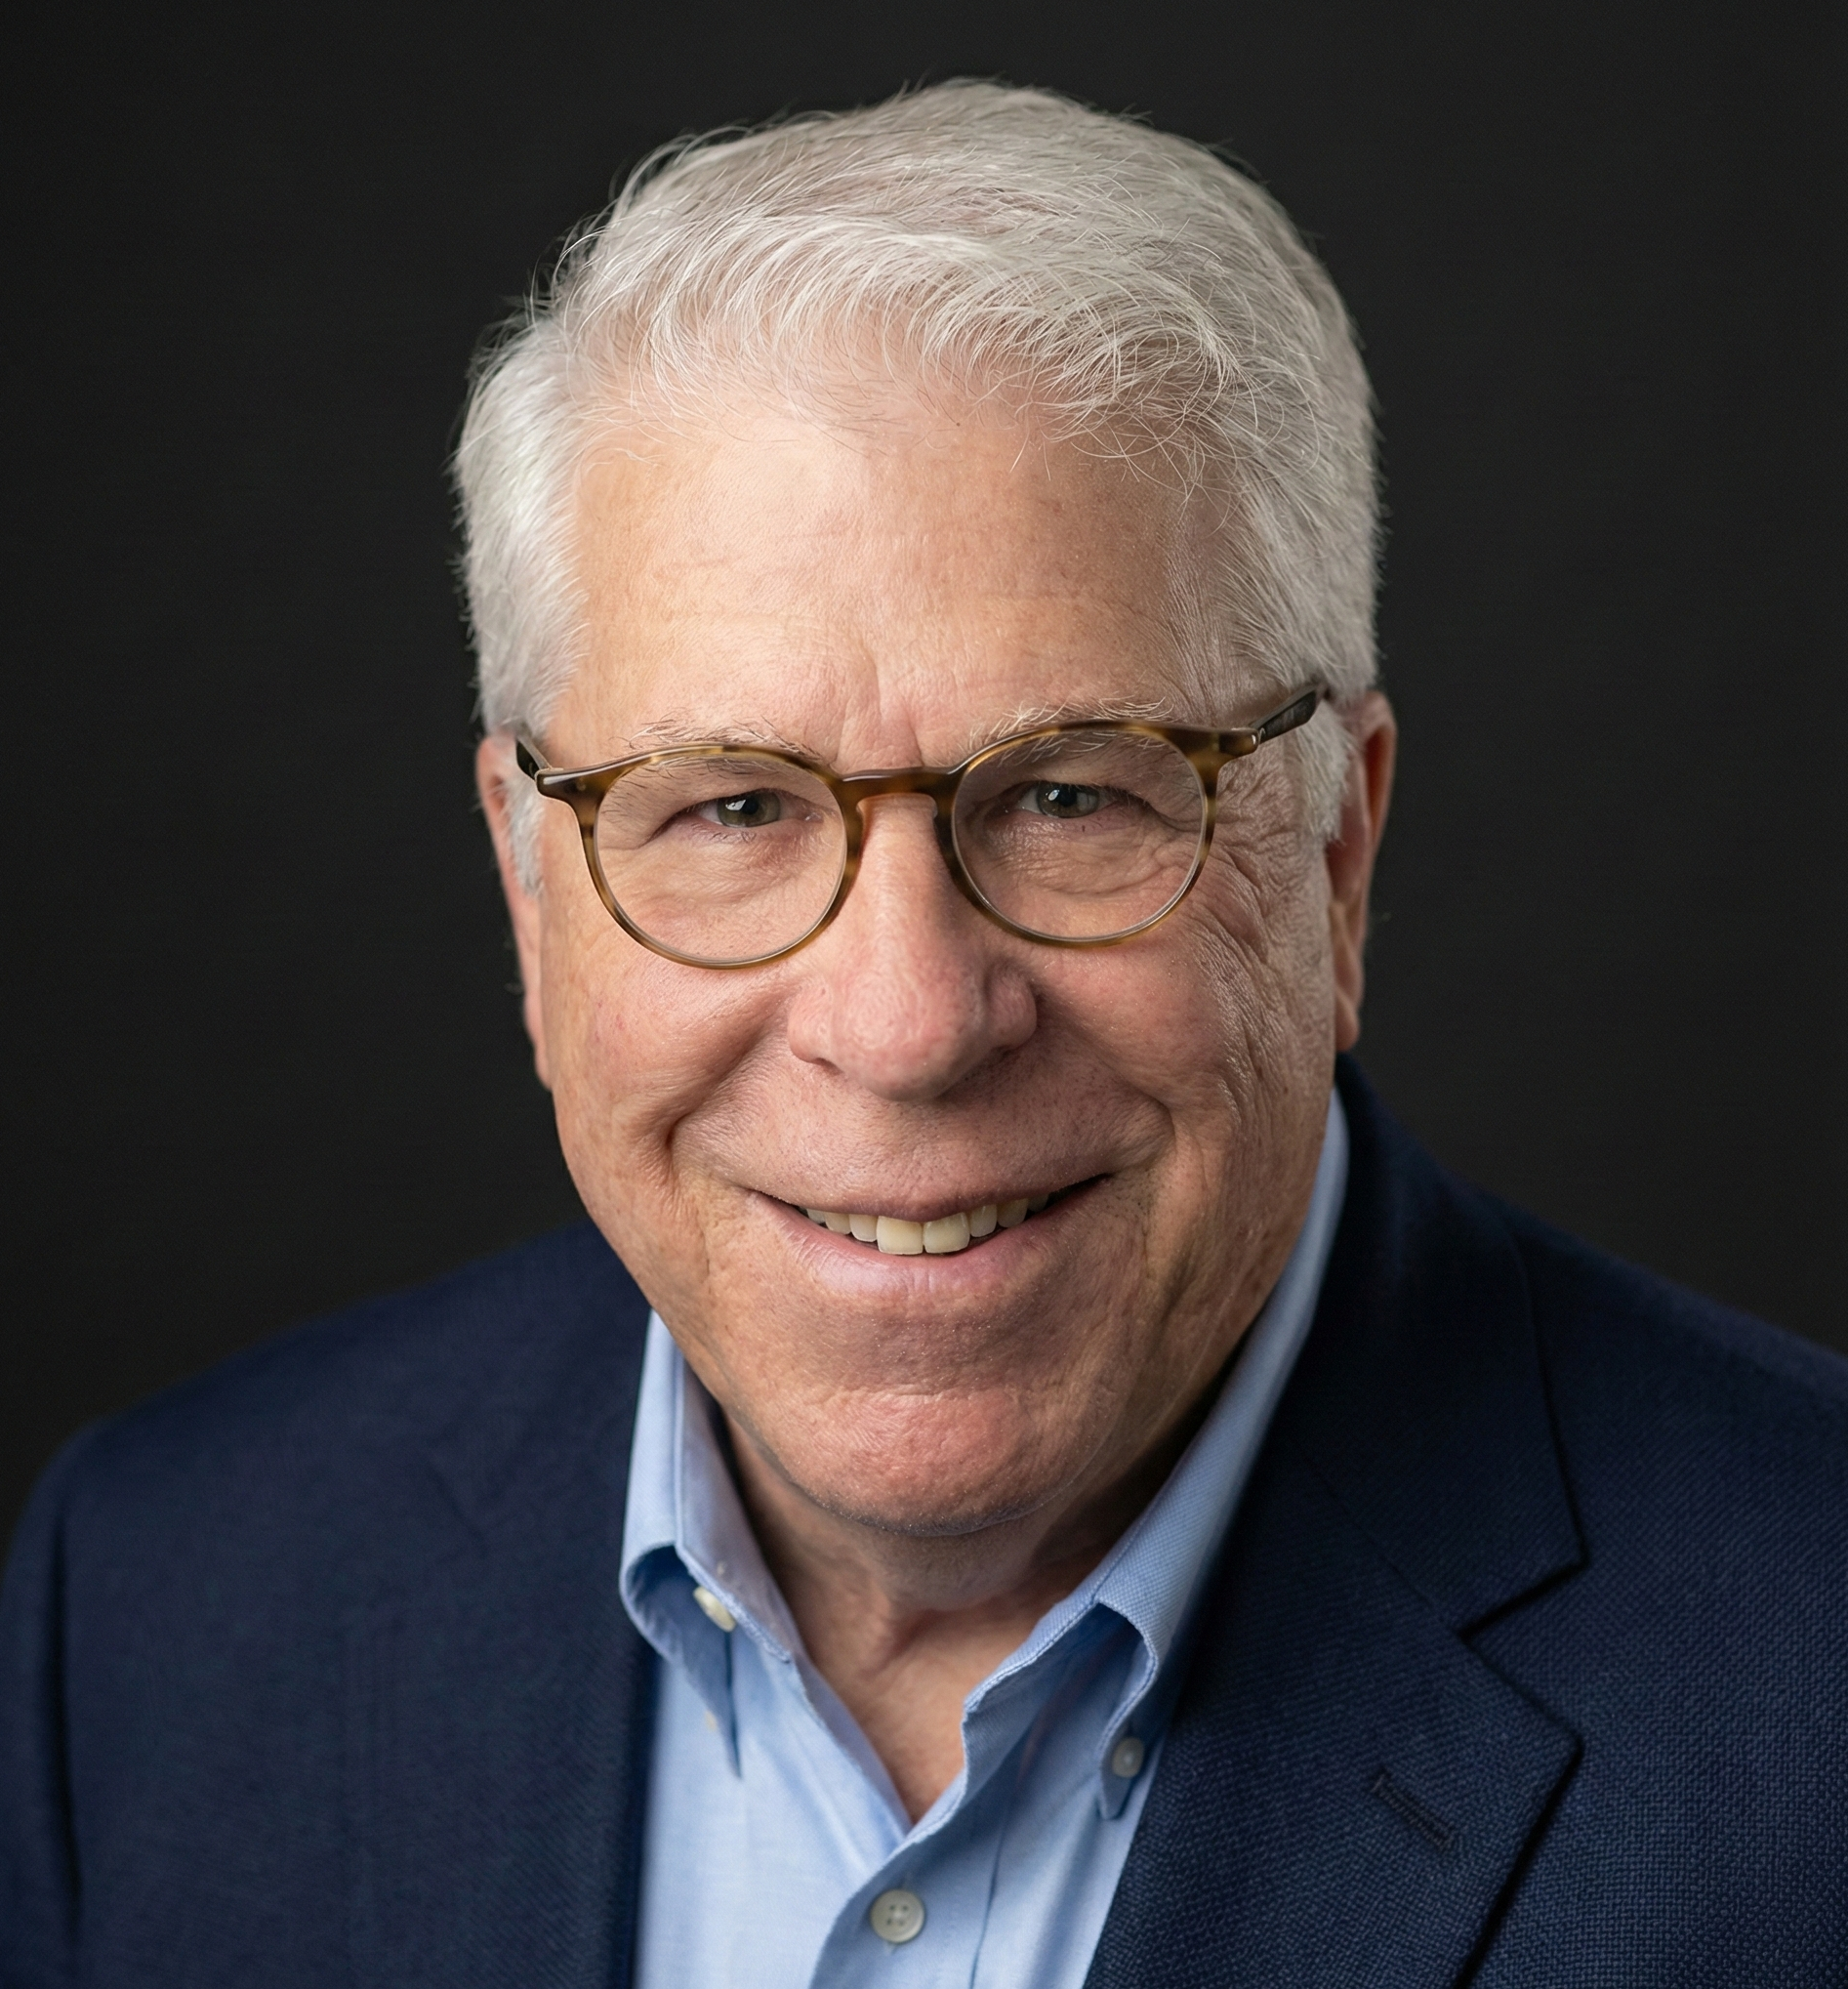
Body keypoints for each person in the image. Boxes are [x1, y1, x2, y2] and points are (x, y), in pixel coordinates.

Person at [2, 82, 1842, 1989]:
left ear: (1337, 853)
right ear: (528, 886)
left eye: (1071, 794)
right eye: (727, 807)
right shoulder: (151, 1610)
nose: (902, 1025)